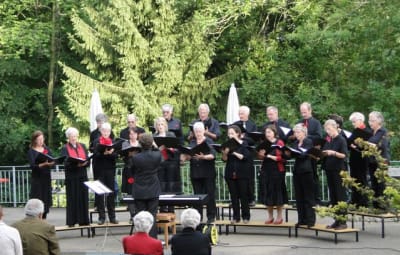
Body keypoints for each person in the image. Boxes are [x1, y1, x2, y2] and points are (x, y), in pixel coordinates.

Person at [128, 133, 163, 238]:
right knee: (152, 215)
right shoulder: (157, 155)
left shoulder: (135, 158)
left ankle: (141, 239)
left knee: (140, 216)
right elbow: (161, 161)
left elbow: (131, 171)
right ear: (151, 143)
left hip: (139, 190)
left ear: (140, 144)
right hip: (153, 189)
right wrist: (155, 146)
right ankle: (152, 239)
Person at [181, 122, 217, 223]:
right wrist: (185, 158)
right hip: (196, 173)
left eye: (200, 131)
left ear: (203, 131)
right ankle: (198, 217)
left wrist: (203, 157)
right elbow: (189, 156)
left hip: (208, 173)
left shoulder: (209, 141)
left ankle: (211, 216)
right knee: (197, 196)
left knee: (210, 194)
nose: (198, 133)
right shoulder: (192, 143)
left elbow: (213, 155)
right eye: (196, 131)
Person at [285, 124, 316, 227]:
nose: (296, 134)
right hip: (297, 171)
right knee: (299, 196)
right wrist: (287, 153)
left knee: (308, 196)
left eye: (298, 132)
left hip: (307, 171)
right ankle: (301, 219)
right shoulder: (295, 143)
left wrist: (296, 152)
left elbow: (304, 155)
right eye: (295, 132)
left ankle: (310, 220)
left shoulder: (308, 142)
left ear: (304, 132)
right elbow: (290, 156)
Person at [60, 127, 90, 227]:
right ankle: (72, 221)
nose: (74, 138)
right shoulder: (65, 148)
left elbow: (88, 160)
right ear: (68, 137)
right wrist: (76, 165)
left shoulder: (82, 146)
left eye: (75, 136)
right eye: (71, 136)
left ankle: (84, 220)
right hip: (72, 177)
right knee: (72, 198)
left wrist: (84, 163)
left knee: (83, 198)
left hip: (82, 175)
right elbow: (65, 163)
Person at [257, 125, 287, 224]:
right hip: (266, 170)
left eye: (269, 132)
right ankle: (270, 216)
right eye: (266, 132)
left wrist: (269, 156)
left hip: (277, 170)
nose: (267, 134)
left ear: (274, 132)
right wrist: (261, 155)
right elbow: (261, 158)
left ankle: (279, 216)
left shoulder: (279, 143)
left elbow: (283, 158)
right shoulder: (264, 144)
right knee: (267, 192)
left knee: (277, 193)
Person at [322, 119, 348, 230]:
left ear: (335, 127)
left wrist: (333, 153)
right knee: (333, 196)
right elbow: (324, 151)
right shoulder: (329, 140)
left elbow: (344, 155)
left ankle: (343, 221)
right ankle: (336, 220)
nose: (328, 132)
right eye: (326, 130)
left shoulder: (341, 139)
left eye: (330, 129)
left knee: (340, 195)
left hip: (339, 170)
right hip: (330, 169)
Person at [222, 125, 251, 223]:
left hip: (242, 173)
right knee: (233, 196)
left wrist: (233, 152)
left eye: (232, 133)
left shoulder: (244, 144)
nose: (230, 135)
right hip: (230, 172)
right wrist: (225, 153)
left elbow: (245, 157)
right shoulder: (227, 144)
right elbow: (224, 159)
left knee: (243, 195)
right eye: (229, 134)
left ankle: (246, 216)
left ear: (238, 134)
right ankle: (236, 217)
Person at [92, 122, 119, 225]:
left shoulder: (113, 141)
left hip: (110, 169)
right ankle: (101, 217)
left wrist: (111, 153)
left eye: (108, 131)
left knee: (111, 192)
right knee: (99, 193)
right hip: (99, 170)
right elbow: (95, 155)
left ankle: (112, 216)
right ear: (101, 131)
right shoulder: (96, 141)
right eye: (104, 130)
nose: (106, 132)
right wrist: (104, 153)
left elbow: (116, 155)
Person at [153, 117, 182, 212]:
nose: (160, 126)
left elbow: (177, 149)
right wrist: (158, 149)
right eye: (158, 124)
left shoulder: (171, 134)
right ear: (156, 126)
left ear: (165, 125)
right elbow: (151, 152)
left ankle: (171, 208)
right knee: (161, 186)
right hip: (159, 165)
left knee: (170, 186)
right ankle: (162, 208)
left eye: (162, 124)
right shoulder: (154, 137)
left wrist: (170, 148)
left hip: (171, 164)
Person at [298, 102, 323, 205]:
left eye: (305, 112)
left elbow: (319, 137)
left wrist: (306, 136)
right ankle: (303, 198)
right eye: (302, 112)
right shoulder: (300, 122)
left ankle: (316, 198)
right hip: (301, 153)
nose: (303, 114)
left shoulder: (316, 123)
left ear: (310, 110)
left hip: (312, 153)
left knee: (313, 176)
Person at [233, 105, 257, 206]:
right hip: (237, 153)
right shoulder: (235, 124)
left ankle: (251, 199)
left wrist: (243, 137)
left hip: (248, 154)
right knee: (236, 177)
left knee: (249, 178)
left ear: (247, 114)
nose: (240, 115)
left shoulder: (252, 125)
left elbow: (254, 140)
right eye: (239, 113)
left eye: (242, 113)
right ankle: (237, 199)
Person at [27, 130, 54, 219]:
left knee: (45, 198)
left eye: (42, 139)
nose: (41, 141)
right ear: (34, 140)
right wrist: (43, 164)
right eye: (39, 139)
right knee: (37, 198)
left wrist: (52, 163)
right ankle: (36, 219)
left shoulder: (47, 150)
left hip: (46, 178)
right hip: (37, 179)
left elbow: (52, 161)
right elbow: (32, 166)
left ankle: (44, 218)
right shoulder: (31, 151)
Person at [367, 111, 390, 209]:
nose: (370, 122)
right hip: (372, 161)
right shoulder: (371, 132)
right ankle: (376, 206)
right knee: (374, 184)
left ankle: (383, 207)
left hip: (381, 161)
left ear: (379, 121)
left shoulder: (384, 132)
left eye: (372, 120)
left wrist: (367, 144)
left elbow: (383, 146)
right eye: (369, 120)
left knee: (382, 184)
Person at [348, 112, 372, 207]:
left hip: (362, 160)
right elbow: (349, 143)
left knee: (362, 180)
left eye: (354, 122)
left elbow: (368, 147)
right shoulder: (355, 131)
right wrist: (350, 144)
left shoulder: (367, 132)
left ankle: (363, 202)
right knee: (354, 180)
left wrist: (357, 145)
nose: (353, 124)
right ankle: (355, 200)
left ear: (360, 121)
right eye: (352, 122)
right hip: (354, 159)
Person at [120, 127, 141, 221]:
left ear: (137, 135)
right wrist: (128, 155)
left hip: (138, 170)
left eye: (134, 134)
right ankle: (132, 214)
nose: (132, 136)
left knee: (139, 191)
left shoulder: (140, 143)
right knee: (130, 191)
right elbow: (122, 155)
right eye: (130, 134)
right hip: (129, 170)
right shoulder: (125, 143)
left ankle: (138, 213)